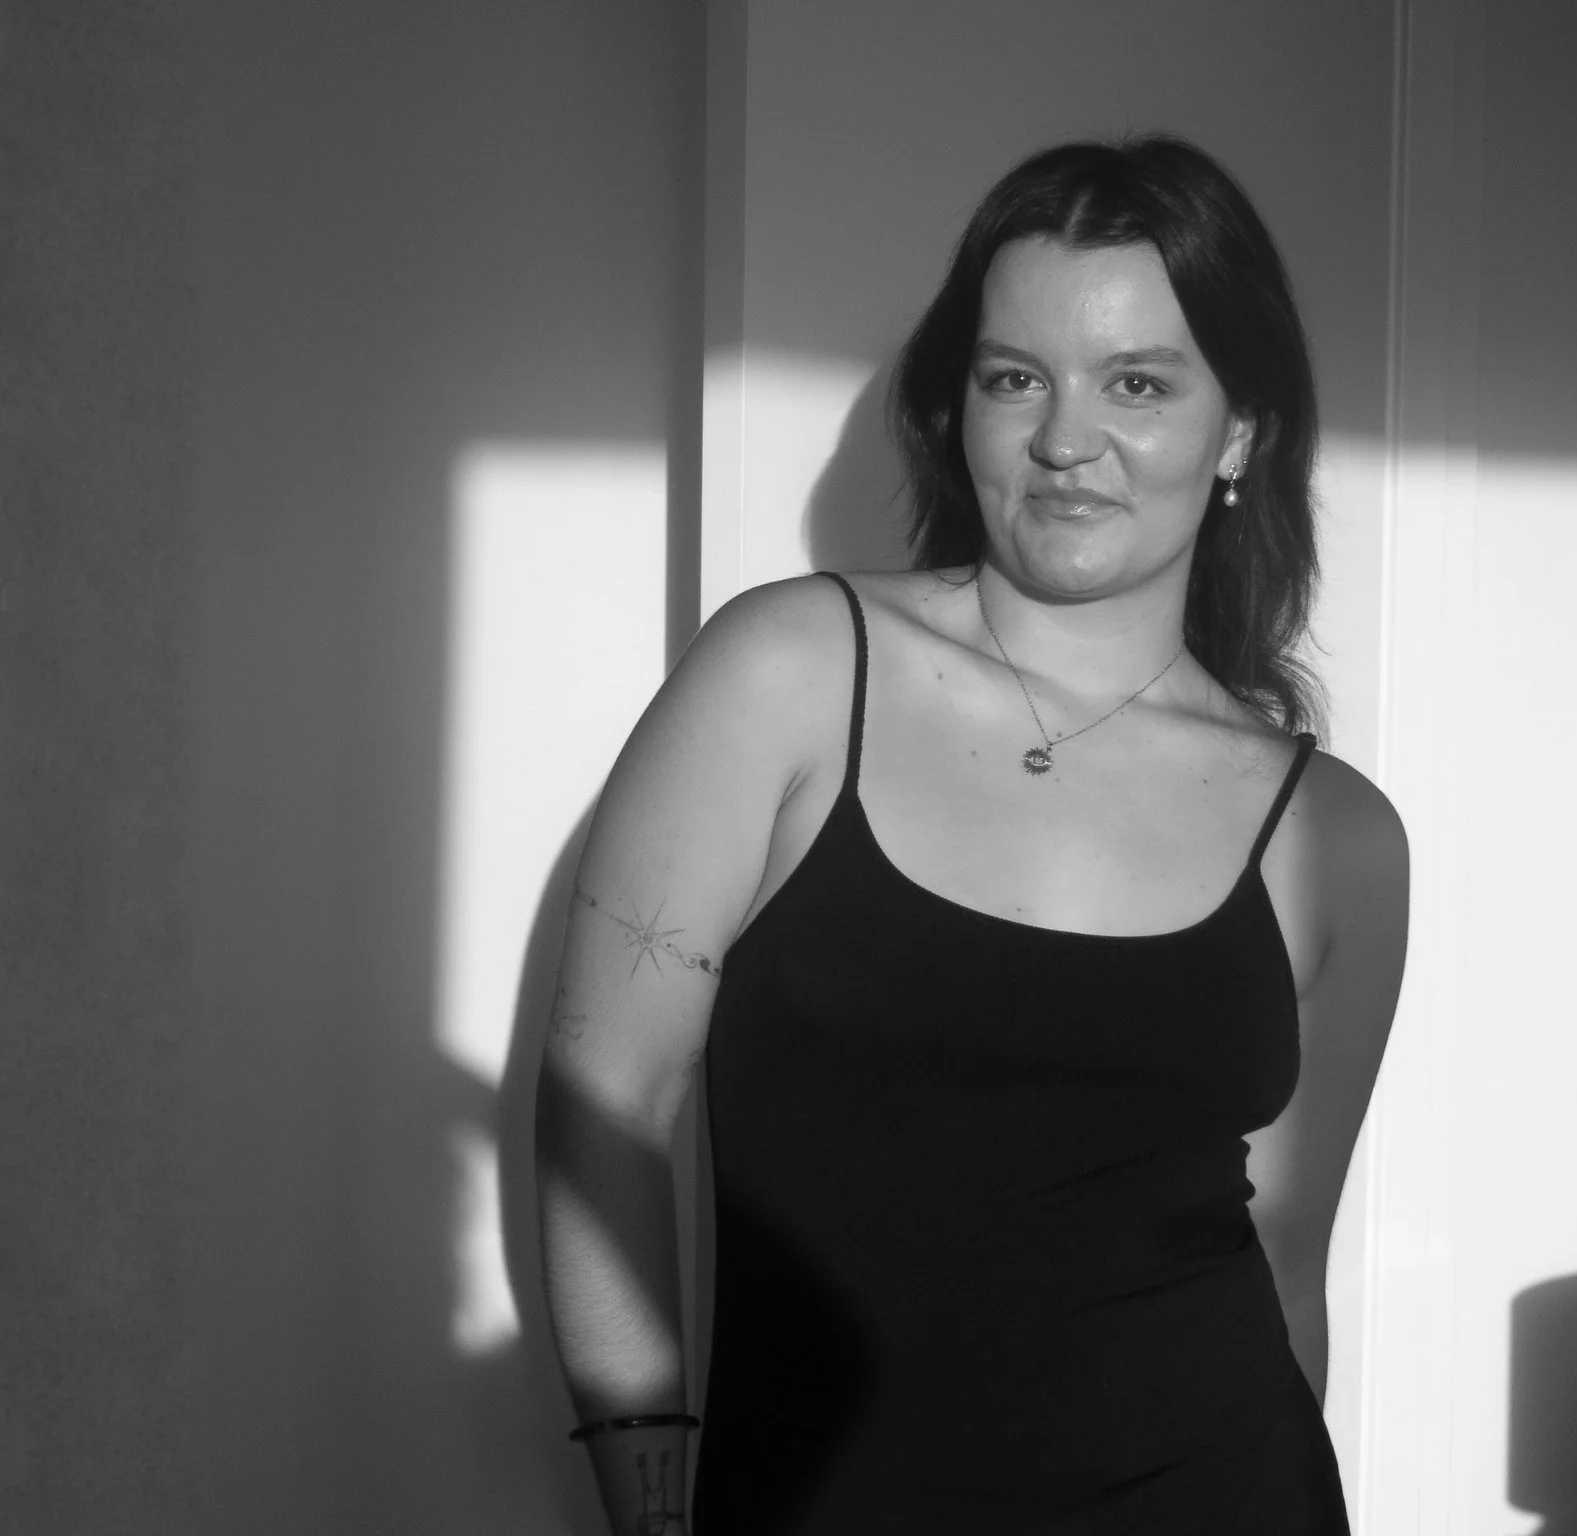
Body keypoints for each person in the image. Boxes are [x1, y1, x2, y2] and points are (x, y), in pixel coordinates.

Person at [536, 134, 1408, 1535]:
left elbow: (1287, 1259)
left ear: (1241, 431)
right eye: (1016, 378)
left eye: (1138, 382)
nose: (1067, 439)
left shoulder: (1334, 833)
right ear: (959, 409)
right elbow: (604, 1106)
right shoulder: (790, 673)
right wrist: (649, 1503)